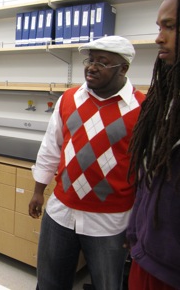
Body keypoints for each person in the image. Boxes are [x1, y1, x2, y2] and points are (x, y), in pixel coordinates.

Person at [28, 35, 146, 290]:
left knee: (107, 284)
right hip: (60, 212)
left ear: (123, 68)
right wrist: (39, 190)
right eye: (90, 60)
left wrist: (139, 221)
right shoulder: (69, 99)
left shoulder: (142, 108)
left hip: (110, 221)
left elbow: (145, 169)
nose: (91, 67)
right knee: (49, 283)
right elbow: (51, 147)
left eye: (103, 62)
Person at [126, 0, 180, 290]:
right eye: (160, 27)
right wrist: (135, 233)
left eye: (170, 27)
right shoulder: (164, 99)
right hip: (147, 257)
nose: (159, 37)